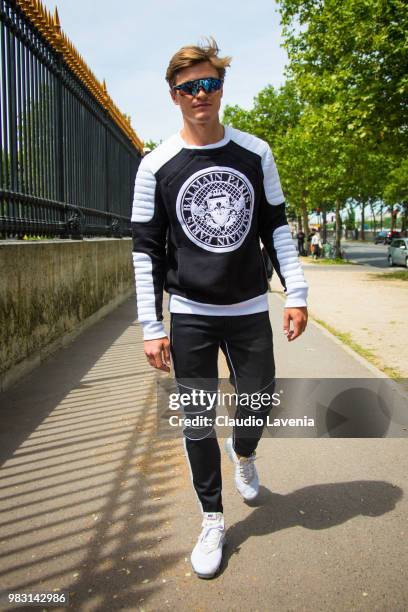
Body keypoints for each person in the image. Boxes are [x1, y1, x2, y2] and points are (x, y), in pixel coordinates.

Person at [131, 38, 308, 579]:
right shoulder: (155, 166)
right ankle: (212, 518)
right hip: (190, 313)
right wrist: (151, 323)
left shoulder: (255, 153)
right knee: (197, 420)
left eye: (208, 84)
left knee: (257, 402)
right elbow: (145, 250)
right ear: (174, 95)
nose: (199, 95)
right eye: (189, 88)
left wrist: (295, 292)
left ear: (221, 88)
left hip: (250, 304)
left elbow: (277, 227)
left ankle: (246, 453)